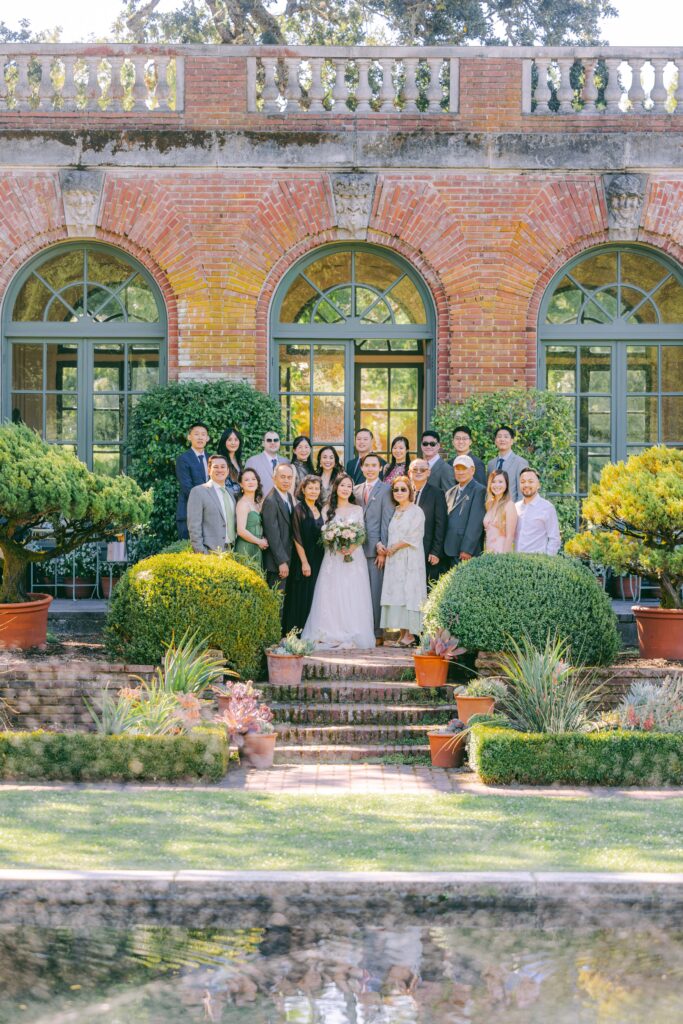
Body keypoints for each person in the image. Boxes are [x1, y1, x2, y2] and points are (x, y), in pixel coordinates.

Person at [302, 474, 375, 649]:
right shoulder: (327, 508)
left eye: (349, 486)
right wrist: (333, 542)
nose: (345, 489)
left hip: (354, 556)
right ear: (336, 487)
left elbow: (362, 533)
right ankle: (330, 630)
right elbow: (323, 532)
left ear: (351, 490)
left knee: (352, 592)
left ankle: (352, 629)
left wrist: (351, 546)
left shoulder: (357, 509)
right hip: (333, 557)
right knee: (332, 592)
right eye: (342, 485)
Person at [380, 477, 427, 646]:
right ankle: (402, 633)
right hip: (394, 560)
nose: (399, 492)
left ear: (410, 492)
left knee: (409, 593)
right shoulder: (395, 510)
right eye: (396, 490)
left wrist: (394, 547)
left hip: (410, 558)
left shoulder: (416, 511)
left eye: (403, 489)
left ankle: (410, 635)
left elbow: (414, 536)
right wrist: (385, 548)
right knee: (398, 593)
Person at [354, 453, 394, 645]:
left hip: (374, 551)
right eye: (366, 465)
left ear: (380, 468)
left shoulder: (386, 490)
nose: (369, 468)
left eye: (373, 465)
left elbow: (386, 520)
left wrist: (382, 548)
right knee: (357, 592)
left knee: (375, 591)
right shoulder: (355, 490)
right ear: (361, 468)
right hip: (354, 550)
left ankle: (378, 632)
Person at [283, 474, 324, 632]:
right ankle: (297, 630)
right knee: (302, 594)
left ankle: (312, 629)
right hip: (304, 559)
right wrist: (304, 562)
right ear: (304, 490)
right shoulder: (299, 508)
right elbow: (297, 537)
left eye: (316, 488)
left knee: (315, 593)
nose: (314, 491)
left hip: (319, 558)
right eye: (310, 488)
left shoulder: (320, 508)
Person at [187, 454, 237, 554]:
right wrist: (202, 552)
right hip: (211, 552)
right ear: (209, 470)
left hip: (232, 550)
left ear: (227, 471)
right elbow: (194, 527)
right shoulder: (198, 491)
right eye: (215, 467)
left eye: (223, 467)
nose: (220, 470)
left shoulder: (231, 493)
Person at [408, 458, 447, 583]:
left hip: (427, 550)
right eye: (415, 470)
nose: (418, 472)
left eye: (422, 470)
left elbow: (441, 524)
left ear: (428, 472)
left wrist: (436, 552)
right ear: (409, 472)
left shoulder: (437, 493)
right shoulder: (403, 492)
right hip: (405, 550)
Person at [261, 462, 296, 599]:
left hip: (288, 558)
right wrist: (282, 562)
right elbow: (272, 535)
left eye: (289, 477)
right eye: (283, 477)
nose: (286, 481)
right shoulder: (271, 501)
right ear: (274, 478)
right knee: (276, 601)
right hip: (277, 563)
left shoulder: (287, 497)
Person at [443, 454, 486, 565]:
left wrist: (467, 549)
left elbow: (475, 523)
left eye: (464, 469)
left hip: (465, 552)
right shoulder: (450, 492)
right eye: (457, 469)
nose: (460, 472)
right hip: (448, 549)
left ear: (472, 470)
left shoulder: (479, 490)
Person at [175, 421, 210, 539]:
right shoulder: (183, 459)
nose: (200, 437)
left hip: (209, 514)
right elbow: (187, 488)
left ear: (207, 438)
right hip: (188, 512)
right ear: (189, 437)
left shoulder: (212, 458)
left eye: (203, 434)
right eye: (196, 434)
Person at [515, 468, 561, 555]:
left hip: (537, 562)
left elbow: (554, 539)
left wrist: (546, 561)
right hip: (516, 561)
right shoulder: (515, 507)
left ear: (538, 485)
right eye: (523, 482)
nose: (526, 484)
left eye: (530, 481)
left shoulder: (547, 508)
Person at [234, 467, 269, 569]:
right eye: (246, 480)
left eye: (253, 479)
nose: (251, 482)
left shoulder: (257, 503)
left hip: (256, 546)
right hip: (246, 547)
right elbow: (240, 530)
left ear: (257, 482)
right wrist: (260, 542)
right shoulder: (242, 504)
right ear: (241, 484)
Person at [486, 425, 529, 503]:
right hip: (493, 510)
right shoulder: (491, 464)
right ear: (495, 441)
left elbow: (522, 493)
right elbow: (488, 490)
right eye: (499, 437)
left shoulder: (520, 463)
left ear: (512, 441)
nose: (502, 439)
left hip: (511, 510)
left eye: (506, 437)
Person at [483, 470, 518, 553]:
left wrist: (503, 559)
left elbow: (510, 536)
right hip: (488, 554)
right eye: (493, 482)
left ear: (506, 484)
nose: (496, 485)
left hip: (502, 554)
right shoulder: (489, 504)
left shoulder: (510, 505)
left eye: (500, 482)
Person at [245, 430, 287, 497]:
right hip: (260, 505)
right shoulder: (252, 461)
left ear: (279, 442)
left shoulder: (286, 461)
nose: (273, 442)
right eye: (269, 440)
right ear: (263, 443)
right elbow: (247, 487)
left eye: (275, 440)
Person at [216, 427, 243, 499]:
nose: (233, 443)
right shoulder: (220, 461)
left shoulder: (239, 461)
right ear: (224, 442)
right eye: (229, 440)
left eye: (236, 440)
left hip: (239, 501)